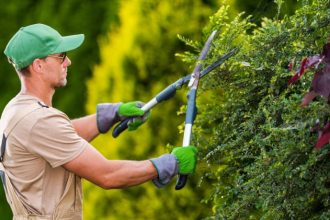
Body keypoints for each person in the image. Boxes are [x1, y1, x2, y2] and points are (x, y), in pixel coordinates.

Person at [0, 23, 198, 220]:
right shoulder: (38, 120)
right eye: (60, 56)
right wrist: (170, 163)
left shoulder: (17, 110)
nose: (67, 61)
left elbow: (62, 136)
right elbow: (107, 175)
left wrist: (111, 114)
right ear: (38, 65)